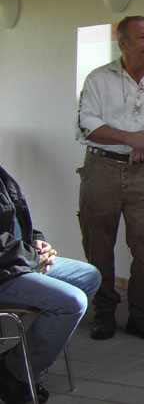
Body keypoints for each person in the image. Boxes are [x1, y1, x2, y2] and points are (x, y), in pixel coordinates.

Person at [76, 15, 144, 342]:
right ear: (123, 43)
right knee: (98, 247)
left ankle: (140, 315)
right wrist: (130, 138)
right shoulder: (98, 79)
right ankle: (104, 313)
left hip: (142, 173)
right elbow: (87, 124)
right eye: (142, 37)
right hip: (101, 170)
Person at [0, 164, 101, 404]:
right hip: (6, 271)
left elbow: (18, 220)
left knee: (88, 276)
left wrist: (38, 242)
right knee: (71, 302)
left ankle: (24, 359)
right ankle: (14, 373)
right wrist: (34, 257)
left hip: (19, 262)